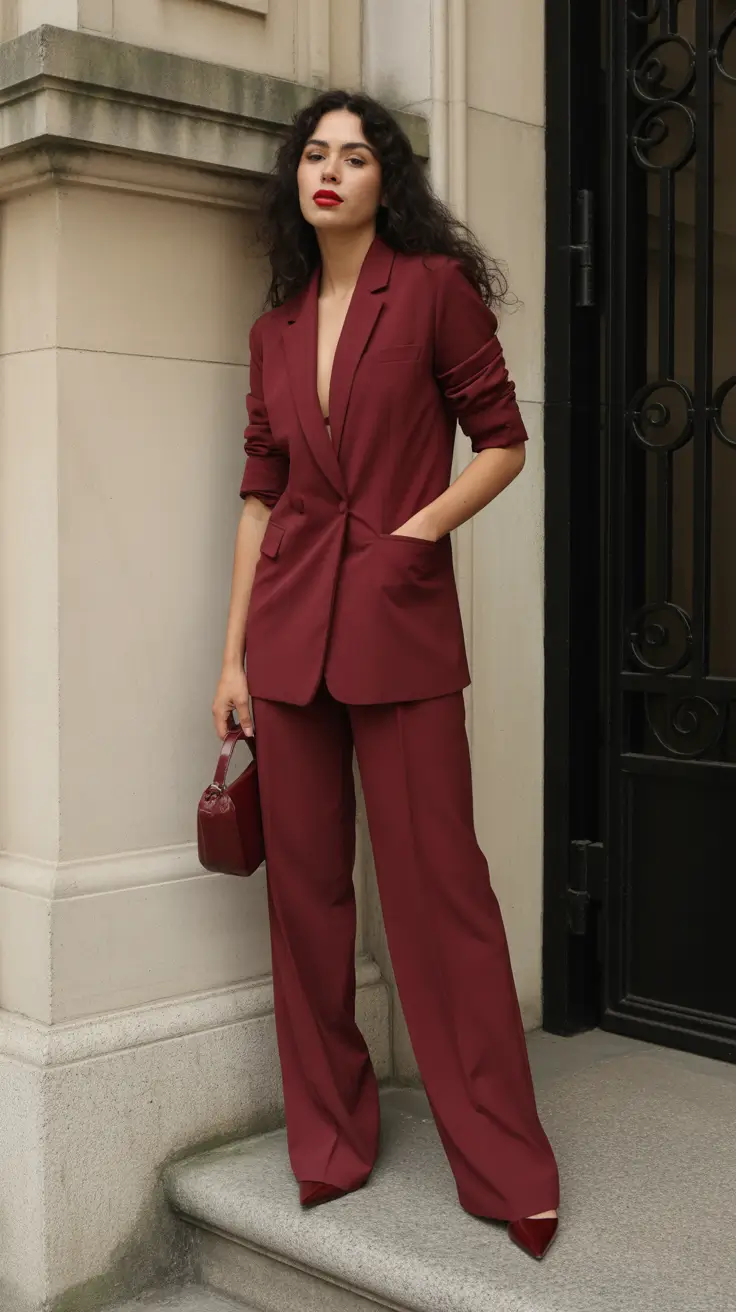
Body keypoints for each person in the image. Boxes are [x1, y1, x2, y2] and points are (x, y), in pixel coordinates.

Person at [212, 88, 560, 1261]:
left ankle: (504, 1160)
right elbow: (258, 496)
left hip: (399, 628)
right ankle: (330, 1140)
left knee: (438, 894)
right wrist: (231, 659)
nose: (329, 170)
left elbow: (503, 440)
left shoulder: (431, 293)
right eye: (313, 154)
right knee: (304, 903)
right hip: (287, 635)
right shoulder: (273, 327)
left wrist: (416, 534)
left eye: (354, 156)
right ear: (295, 182)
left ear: (384, 180)